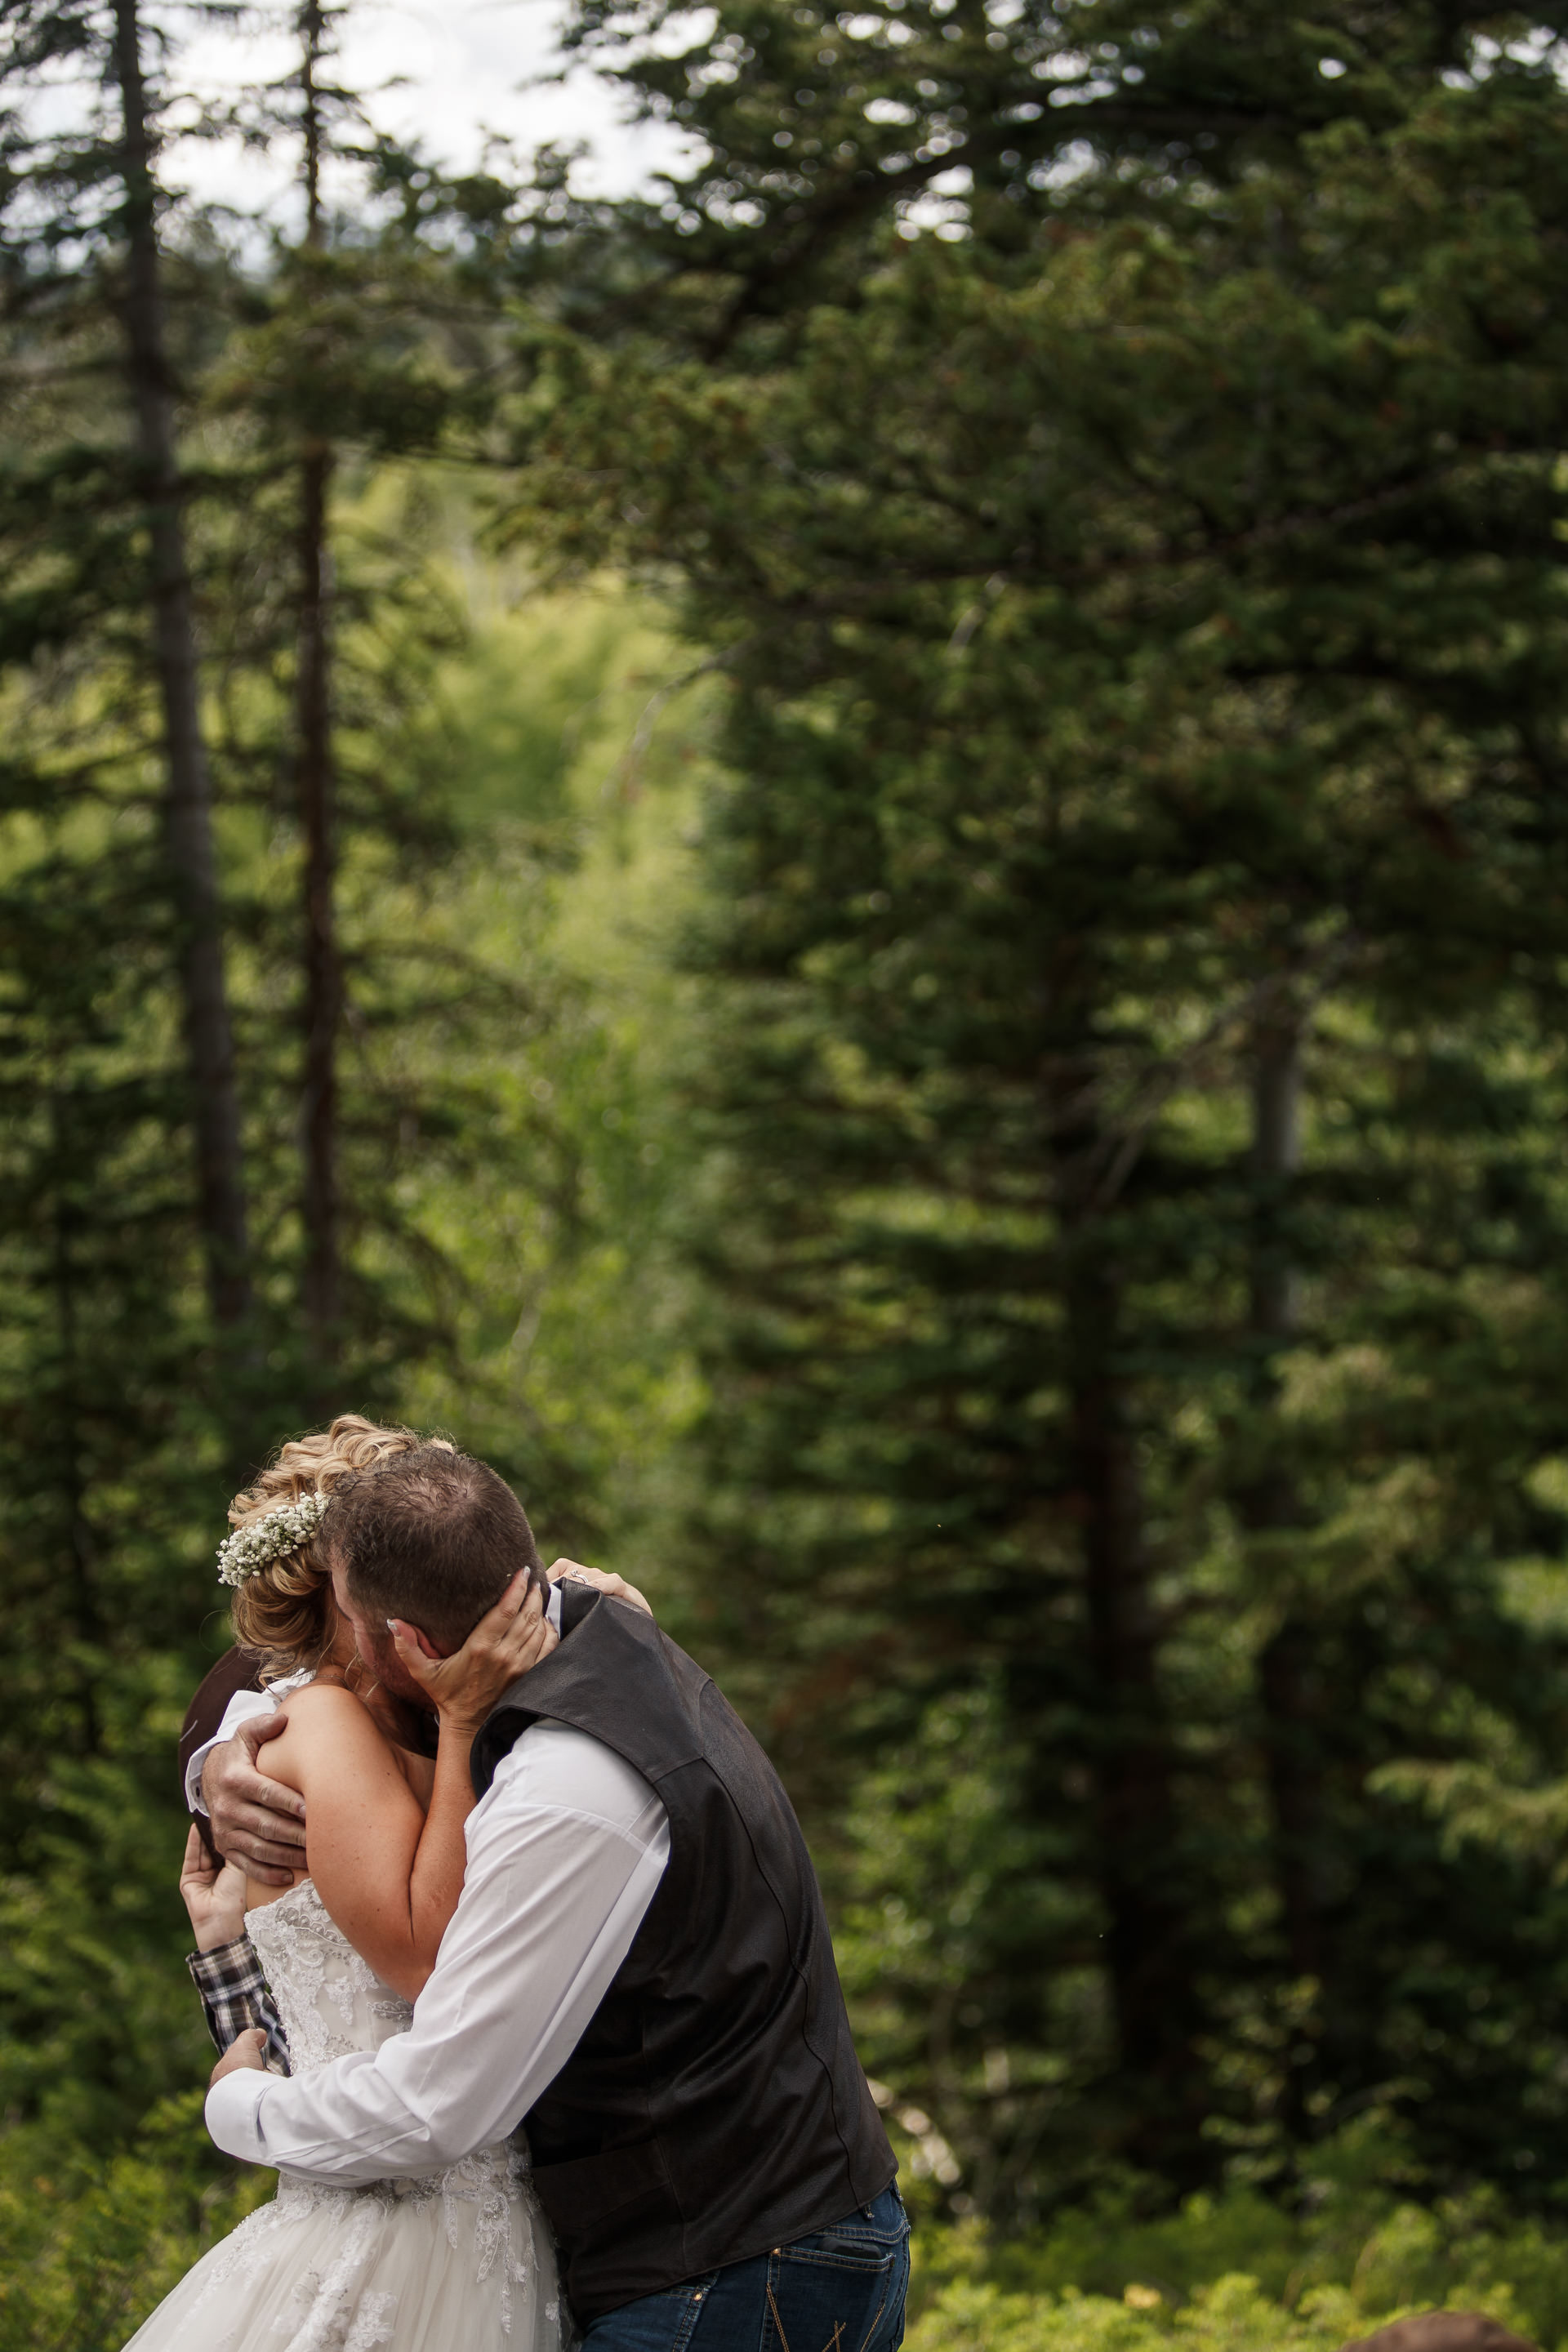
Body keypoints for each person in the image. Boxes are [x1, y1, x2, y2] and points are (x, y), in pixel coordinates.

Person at [202, 1441, 910, 2352]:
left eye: (354, 1633)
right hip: (746, 2246)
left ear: (410, 1643)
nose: (341, 1672)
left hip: (734, 2268)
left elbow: (439, 2107)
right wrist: (215, 1760)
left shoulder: (561, 1783)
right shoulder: (599, 1638)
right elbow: (280, 1698)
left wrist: (240, 2108)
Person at [124, 1418, 572, 2352]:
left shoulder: (415, 1713)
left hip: (493, 2226)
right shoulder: (319, 1722)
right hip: (390, 2236)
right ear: (346, 1592)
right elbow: (424, 1961)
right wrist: (459, 1723)